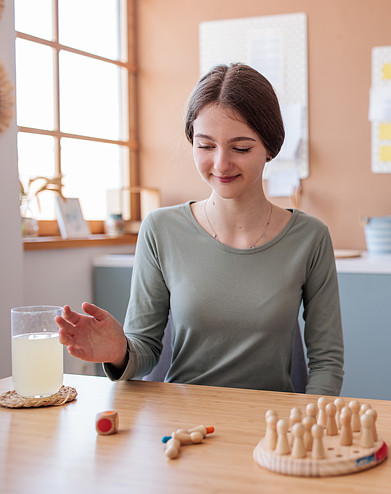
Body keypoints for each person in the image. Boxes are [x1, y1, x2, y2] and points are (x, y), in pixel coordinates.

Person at [56, 64, 344, 395]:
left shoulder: (310, 237)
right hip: (184, 419)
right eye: (206, 146)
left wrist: (312, 420)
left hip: (272, 420)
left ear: (270, 147)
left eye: (241, 148)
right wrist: (119, 350)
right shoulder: (160, 229)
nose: (221, 164)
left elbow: (327, 362)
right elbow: (145, 350)